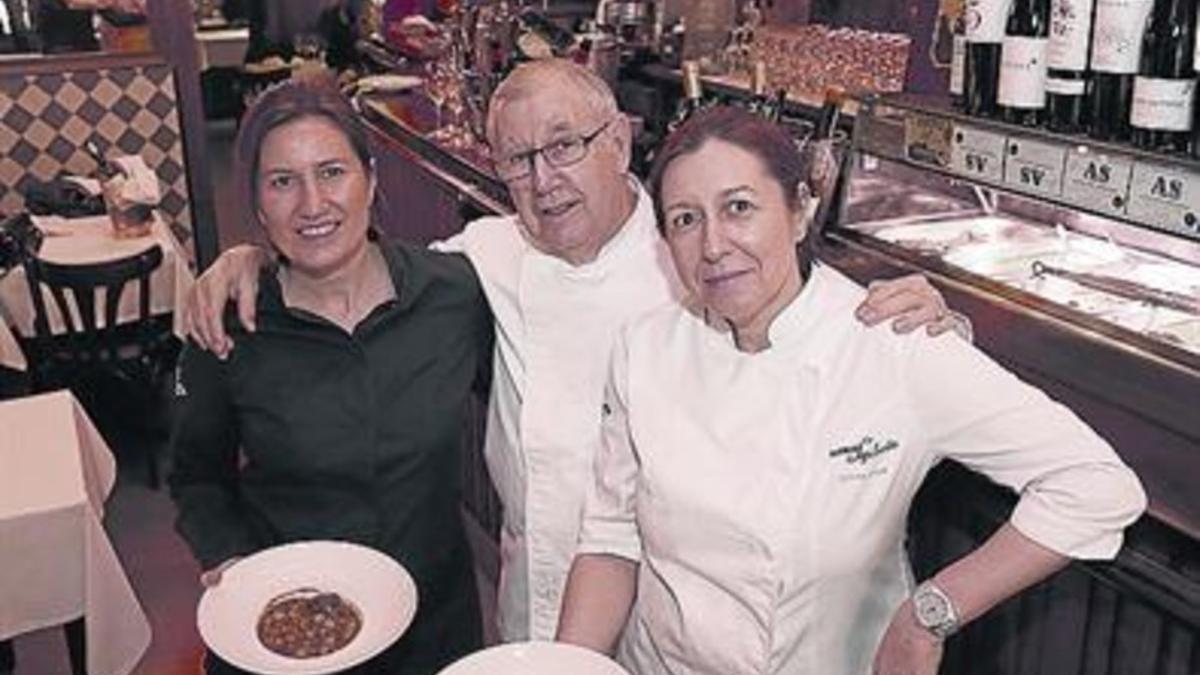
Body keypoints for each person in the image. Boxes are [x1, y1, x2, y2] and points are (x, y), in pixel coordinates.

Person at [183, 59, 966, 642]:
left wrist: (931, 326)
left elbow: (814, 309)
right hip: (536, 602)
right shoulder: (480, 264)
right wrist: (246, 258)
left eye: (565, 146)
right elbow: (349, 265)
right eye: (517, 160)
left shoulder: (699, 249)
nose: (543, 179)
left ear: (619, 140)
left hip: (681, 611)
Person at [555, 105, 1147, 675]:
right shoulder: (644, 348)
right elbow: (609, 538)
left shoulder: (892, 341)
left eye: (739, 208)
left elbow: (1095, 485)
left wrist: (929, 613)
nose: (713, 246)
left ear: (800, 211)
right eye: (686, 219)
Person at [168, 74, 490, 674]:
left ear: (371, 176)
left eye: (332, 172)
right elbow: (196, 479)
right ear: (258, 204)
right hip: (285, 630)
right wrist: (231, 560)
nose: (312, 205)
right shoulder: (226, 323)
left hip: (433, 622)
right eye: (283, 182)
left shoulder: (455, 295)